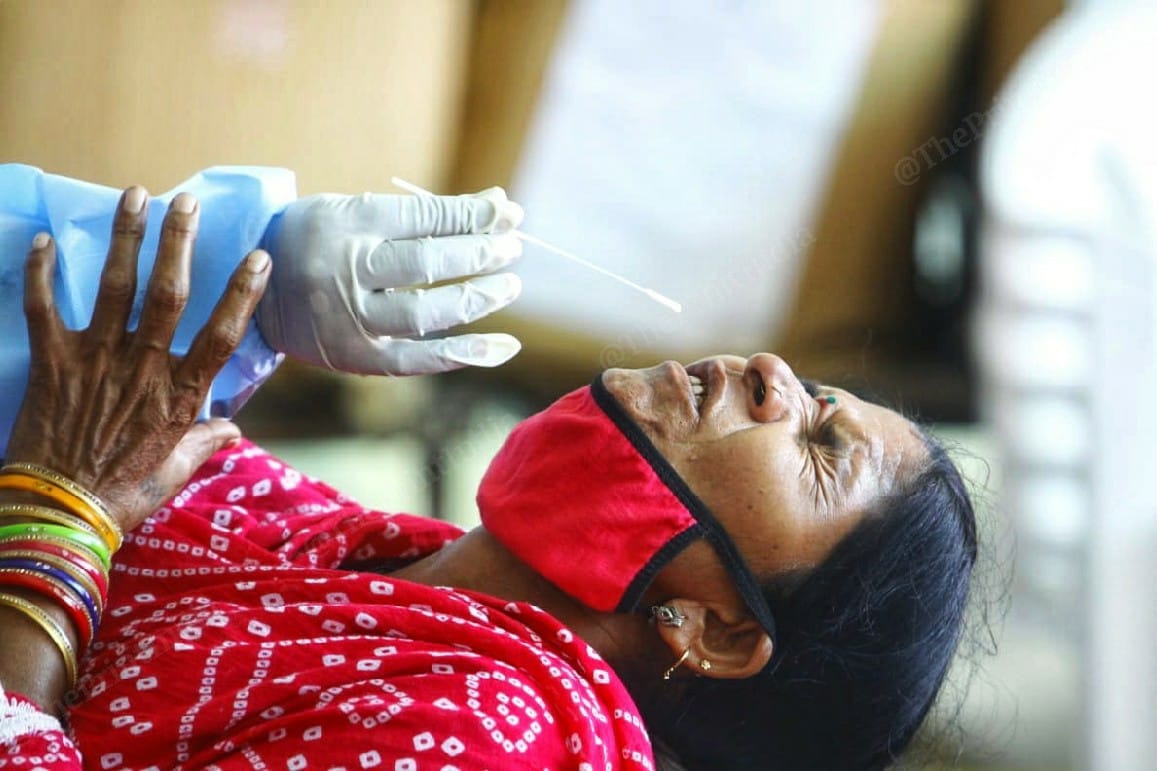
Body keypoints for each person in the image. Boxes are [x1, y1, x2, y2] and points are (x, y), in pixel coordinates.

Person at [0, 189, 978, 770]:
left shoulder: (484, 742)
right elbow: (111, 432)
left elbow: (76, 481)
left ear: (718, 630)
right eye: (810, 389)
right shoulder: (387, 563)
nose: (769, 374)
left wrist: (56, 512)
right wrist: (263, 285)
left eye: (815, 447)